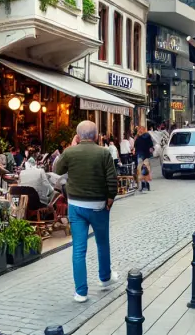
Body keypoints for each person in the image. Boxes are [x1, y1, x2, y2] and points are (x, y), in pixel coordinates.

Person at [54, 120, 118, 303]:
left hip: (76, 206)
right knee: (102, 243)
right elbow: (111, 178)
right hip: (98, 205)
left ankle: (81, 292)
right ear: (97, 136)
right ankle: (105, 277)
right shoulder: (104, 153)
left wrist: (71, 147)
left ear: (78, 136)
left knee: (78, 249)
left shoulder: (70, 152)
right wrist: (110, 199)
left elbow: (58, 169)